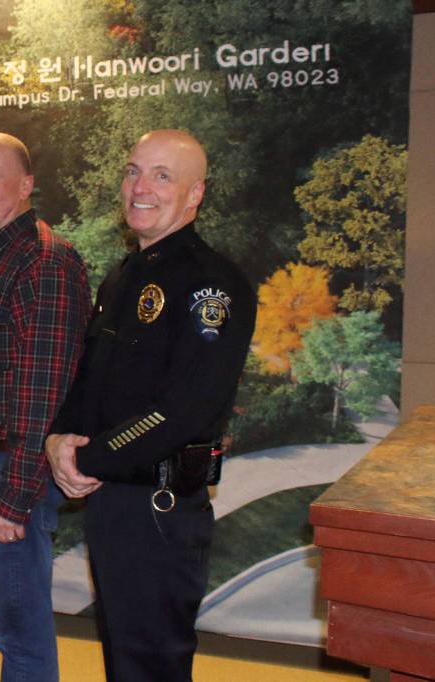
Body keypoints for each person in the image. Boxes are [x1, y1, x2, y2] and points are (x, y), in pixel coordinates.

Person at [46, 129, 257, 681]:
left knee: (152, 666)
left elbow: (183, 407)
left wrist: (87, 460)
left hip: (160, 508)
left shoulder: (212, 283)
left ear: (195, 195)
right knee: (122, 659)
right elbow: (89, 376)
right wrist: (57, 439)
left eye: (163, 176)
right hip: (113, 501)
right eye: (134, 171)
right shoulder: (123, 275)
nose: (141, 187)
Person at [0, 132, 91, 682]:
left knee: (20, 633)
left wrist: (16, 498)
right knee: (11, 625)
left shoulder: (43, 262)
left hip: (6, 473)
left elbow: (42, 394)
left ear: (26, 185)